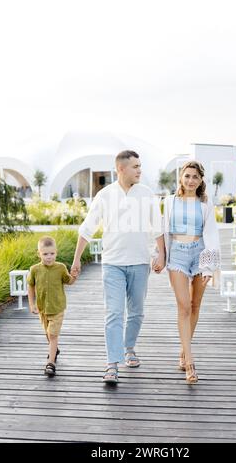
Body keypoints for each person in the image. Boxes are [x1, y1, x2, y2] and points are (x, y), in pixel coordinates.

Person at [71, 150, 165, 384]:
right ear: (121, 169)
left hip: (140, 262)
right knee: (113, 313)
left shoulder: (147, 194)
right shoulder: (104, 195)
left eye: (140, 166)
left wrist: (161, 254)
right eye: (135, 167)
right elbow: (87, 229)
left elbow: (158, 227)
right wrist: (75, 260)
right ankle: (111, 364)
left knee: (136, 312)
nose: (139, 170)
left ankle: (129, 348)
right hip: (112, 263)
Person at [161, 161, 220, 385]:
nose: (191, 180)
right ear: (181, 178)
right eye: (187, 176)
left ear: (201, 180)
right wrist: (160, 256)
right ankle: (191, 361)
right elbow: (163, 230)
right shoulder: (169, 201)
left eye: (195, 176)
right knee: (184, 306)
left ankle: (183, 351)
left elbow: (212, 234)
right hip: (177, 254)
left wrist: (208, 266)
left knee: (195, 305)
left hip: (199, 253)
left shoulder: (205, 203)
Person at [27, 236, 78, 376]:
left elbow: (69, 281)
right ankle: (55, 349)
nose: (49, 257)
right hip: (42, 309)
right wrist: (31, 304)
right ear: (39, 254)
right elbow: (30, 286)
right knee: (48, 334)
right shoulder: (34, 270)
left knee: (52, 334)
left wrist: (74, 275)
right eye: (45, 254)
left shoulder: (60, 268)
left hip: (57, 308)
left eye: (52, 254)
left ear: (56, 252)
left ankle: (51, 363)